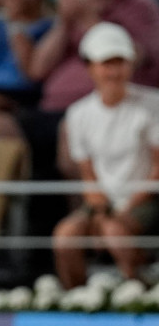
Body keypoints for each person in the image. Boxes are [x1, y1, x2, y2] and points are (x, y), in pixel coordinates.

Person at [53, 22, 159, 288]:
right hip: (101, 203)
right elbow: (87, 172)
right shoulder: (78, 114)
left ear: (131, 64)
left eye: (120, 62)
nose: (113, 71)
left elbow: (157, 169)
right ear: (90, 67)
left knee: (115, 233)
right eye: (106, 63)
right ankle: (76, 299)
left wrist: (124, 211)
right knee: (65, 236)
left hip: (146, 200)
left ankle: (139, 297)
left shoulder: (153, 104)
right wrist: (101, 214)